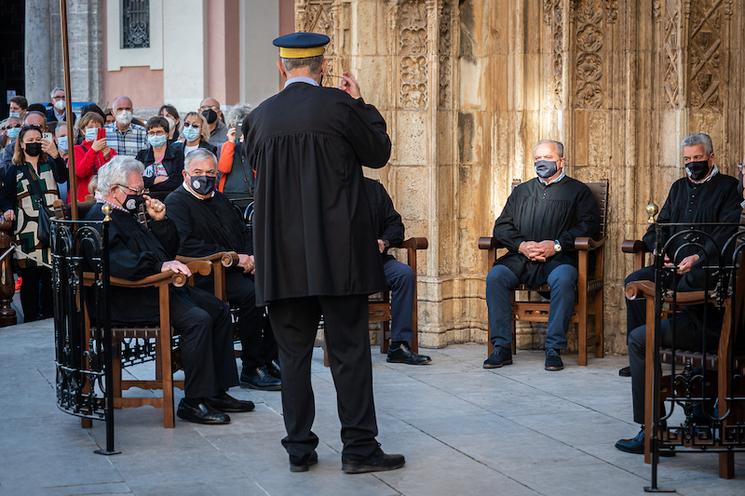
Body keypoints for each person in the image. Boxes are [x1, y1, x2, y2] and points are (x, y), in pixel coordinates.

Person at [244, 31, 404, 474]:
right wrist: (363, 104)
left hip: (282, 260)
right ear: (323, 67)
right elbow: (379, 152)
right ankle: (359, 449)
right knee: (350, 352)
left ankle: (299, 449)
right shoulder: (339, 106)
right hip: (339, 258)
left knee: (292, 357)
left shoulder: (259, 118)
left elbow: (254, 173)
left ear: (282, 68)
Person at [86, 155, 254, 424]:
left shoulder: (124, 212)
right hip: (129, 296)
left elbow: (166, 250)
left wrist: (161, 221)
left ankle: (216, 392)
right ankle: (194, 401)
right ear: (115, 191)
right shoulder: (102, 217)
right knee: (198, 320)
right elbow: (120, 264)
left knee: (218, 308)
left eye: (143, 191)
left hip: (154, 287)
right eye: (136, 191)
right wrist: (160, 264)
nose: (141, 197)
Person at [615, 133, 742, 454]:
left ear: (711, 158)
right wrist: (664, 251)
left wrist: (697, 258)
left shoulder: (727, 189)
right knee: (636, 279)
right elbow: (659, 228)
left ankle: (657, 422)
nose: (692, 165)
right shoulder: (677, 187)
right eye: (687, 160)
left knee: (656, 316)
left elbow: (724, 234)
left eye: (697, 159)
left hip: (704, 275)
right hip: (676, 268)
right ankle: (643, 360)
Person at [165, 148, 281, 391]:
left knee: (276, 286)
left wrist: (253, 258)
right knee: (252, 294)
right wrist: (235, 258)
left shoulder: (219, 198)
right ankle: (252, 367)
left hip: (235, 266)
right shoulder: (176, 202)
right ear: (186, 174)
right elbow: (185, 245)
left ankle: (268, 357)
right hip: (203, 274)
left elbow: (242, 230)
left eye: (210, 173)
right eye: (198, 172)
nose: (204, 177)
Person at [483, 139, 600, 372]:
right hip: (521, 257)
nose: (541, 162)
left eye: (547, 157)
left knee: (565, 279)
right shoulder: (522, 191)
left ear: (561, 161)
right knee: (496, 277)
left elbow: (589, 226)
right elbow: (502, 227)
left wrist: (556, 245)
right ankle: (502, 347)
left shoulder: (578, 191)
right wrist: (522, 245)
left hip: (559, 257)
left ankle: (553, 349)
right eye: (537, 159)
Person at [363, 177, 431, 365]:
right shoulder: (328, 189)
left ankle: (399, 345)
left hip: (377, 262)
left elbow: (395, 225)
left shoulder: (374, 189)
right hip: (342, 265)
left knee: (404, 274)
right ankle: (346, 347)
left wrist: (384, 241)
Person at [8, 125, 68, 322]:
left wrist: (56, 155)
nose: (34, 143)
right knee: (30, 277)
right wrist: (7, 209)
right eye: (30, 140)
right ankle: (31, 318)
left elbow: (63, 177)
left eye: (38, 139)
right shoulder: (13, 169)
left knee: (50, 274)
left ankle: (50, 316)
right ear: (22, 144)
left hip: (51, 225)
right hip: (26, 229)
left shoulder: (49, 163)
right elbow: (5, 196)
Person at [71, 111, 116, 203]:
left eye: (98, 127)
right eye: (90, 127)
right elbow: (81, 172)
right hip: (84, 199)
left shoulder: (110, 151)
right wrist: (93, 150)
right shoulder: (76, 149)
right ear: (83, 130)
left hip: (106, 198)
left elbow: (115, 174)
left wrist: (107, 157)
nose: (94, 130)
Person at [135, 116, 184, 200]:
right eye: (151, 133)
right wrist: (156, 179)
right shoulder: (141, 155)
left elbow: (177, 182)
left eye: (159, 132)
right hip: (146, 200)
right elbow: (136, 180)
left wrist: (148, 184)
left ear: (167, 134)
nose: (155, 136)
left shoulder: (177, 154)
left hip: (171, 199)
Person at [217, 105, 253, 208]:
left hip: (250, 194)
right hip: (229, 194)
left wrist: (249, 141)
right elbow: (224, 168)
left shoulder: (254, 144)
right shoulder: (226, 146)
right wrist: (230, 142)